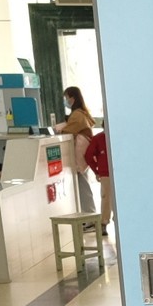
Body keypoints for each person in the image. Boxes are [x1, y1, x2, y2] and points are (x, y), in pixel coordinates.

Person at [54, 85, 97, 214]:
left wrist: (59, 129)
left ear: (72, 98)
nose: (65, 100)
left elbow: (68, 131)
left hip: (79, 154)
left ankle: (89, 214)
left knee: (83, 185)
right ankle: (88, 214)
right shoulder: (81, 113)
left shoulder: (77, 115)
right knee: (83, 183)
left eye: (66, 97)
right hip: (83, 154)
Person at [83, 129, 113, 235]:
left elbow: (88, 156)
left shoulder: (98, 138)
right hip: (108, 172)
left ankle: (105, 223)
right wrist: (97, 170)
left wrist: (97, 170)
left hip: (107, 172)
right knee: (108, 198)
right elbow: (88, 156)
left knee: (107, 198)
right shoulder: (99, 139)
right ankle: (105, 223)